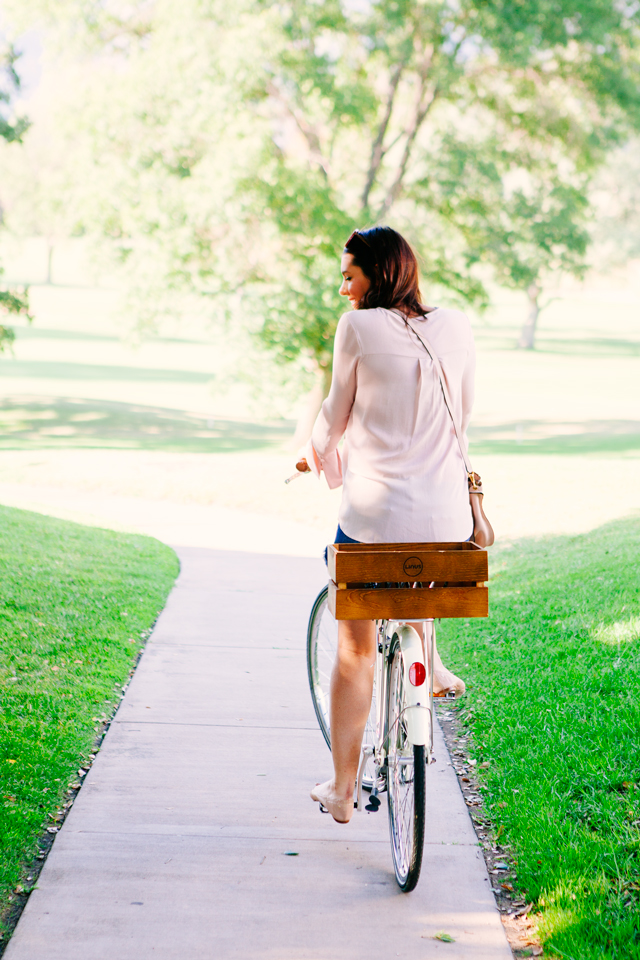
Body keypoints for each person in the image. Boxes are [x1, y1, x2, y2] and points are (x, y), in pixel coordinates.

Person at [298, 226, 475, 824]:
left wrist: (313, 454)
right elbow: (463, 416)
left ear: (379, 273)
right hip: (449, 519)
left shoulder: (358, 329)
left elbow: (334, 413)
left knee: (354, 651)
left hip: (375, 519)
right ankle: (431, 654)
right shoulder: (454, 325)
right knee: (419, 561)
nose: (343, 286)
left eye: (350, 275)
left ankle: (344, 789)